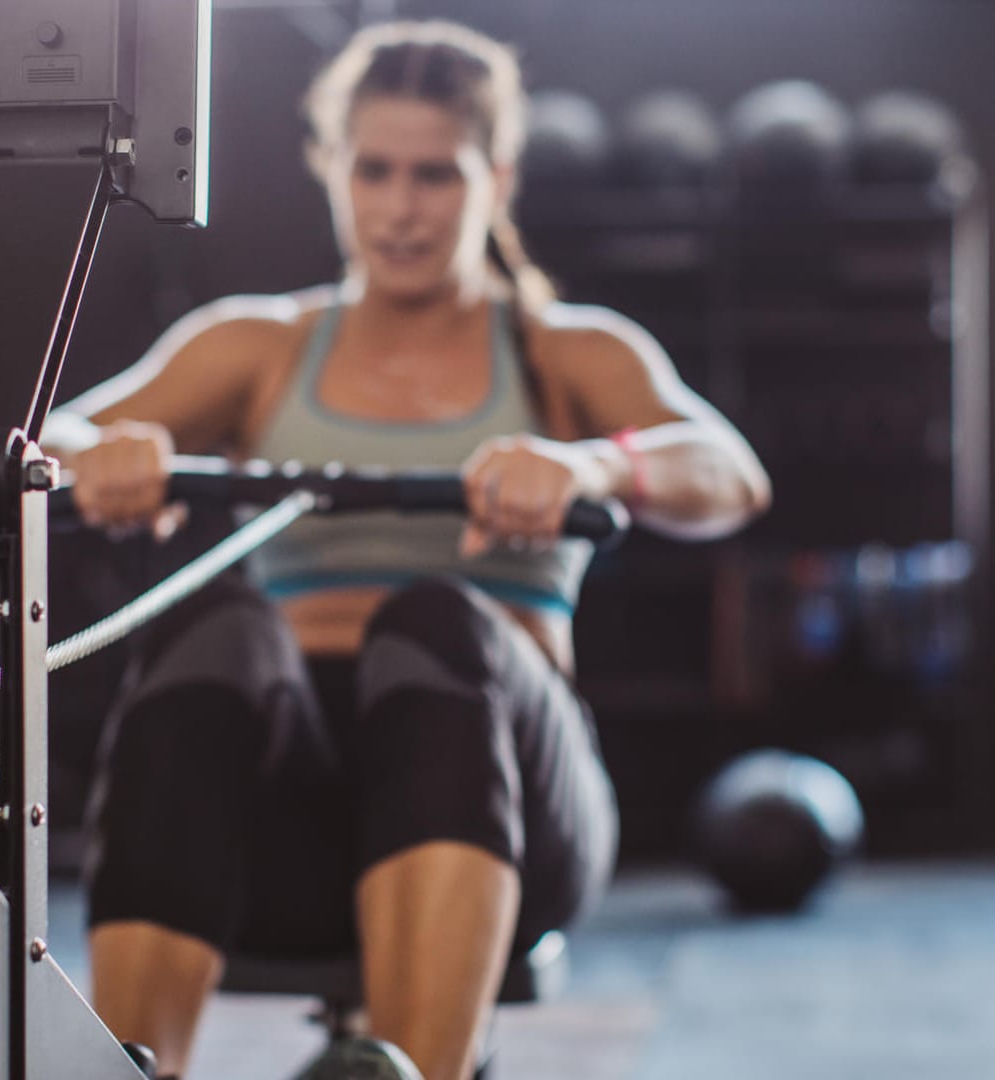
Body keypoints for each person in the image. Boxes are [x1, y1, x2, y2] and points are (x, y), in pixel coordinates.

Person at [43, 20, 770, 1080]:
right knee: (214, 626)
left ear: (497, 176)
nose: (399, 207)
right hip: (283, 834)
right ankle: (130, 1067)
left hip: (508, 811)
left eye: (435, 173)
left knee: (432, 617)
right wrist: (106, 460)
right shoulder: (259, 345)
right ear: (329, 166)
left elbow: (729, 471)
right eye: (373, 169)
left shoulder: (564, 350)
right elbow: (48, 439)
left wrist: (594, 468)